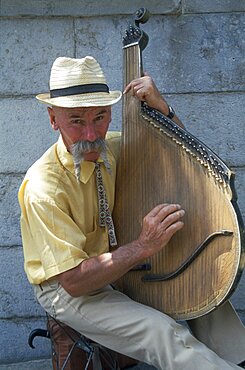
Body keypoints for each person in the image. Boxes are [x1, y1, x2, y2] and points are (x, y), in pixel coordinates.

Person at [18, 56, 245, 370]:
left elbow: (179, 154)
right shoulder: (43, 187)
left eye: (100, 117)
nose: (90, 134)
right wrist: (143, 246)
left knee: (201, 287)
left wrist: (162, 107)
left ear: (111, 112)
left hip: (120, 262)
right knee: (161, 333)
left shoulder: (110, 147)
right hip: (72, 287)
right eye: (76, 121)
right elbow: (73, 281)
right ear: (53, 119)